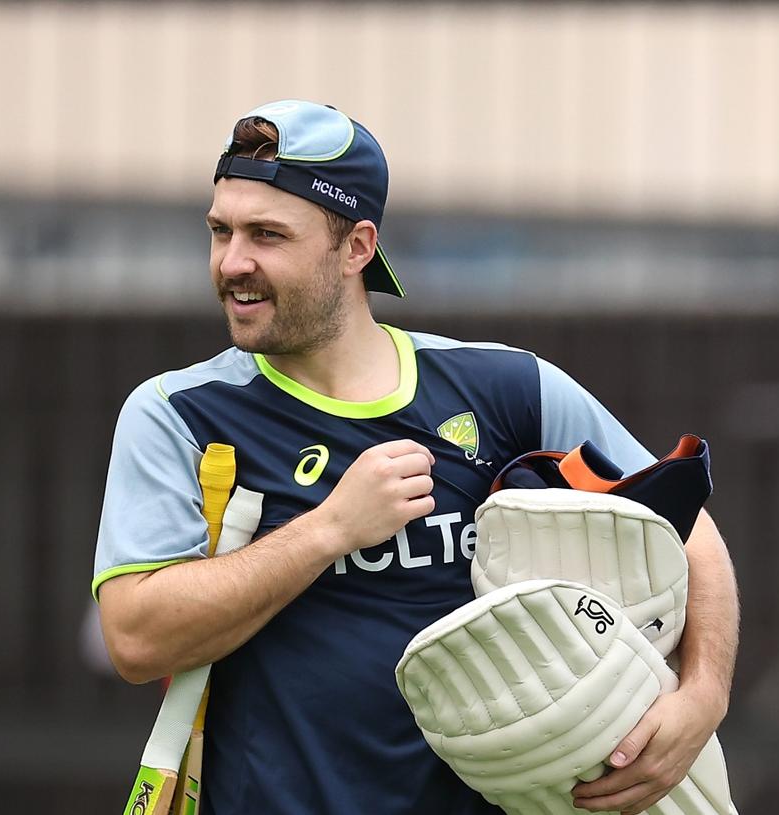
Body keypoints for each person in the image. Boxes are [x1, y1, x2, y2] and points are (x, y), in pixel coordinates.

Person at [91, 100, 739, 815]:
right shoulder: (179, 413)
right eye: (220, 231)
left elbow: (687, 527)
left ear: (356, 247)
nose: (232, 262)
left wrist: (701, 696)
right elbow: (135, 634)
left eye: (268, 235)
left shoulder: (505, 388)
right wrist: (330, 529)